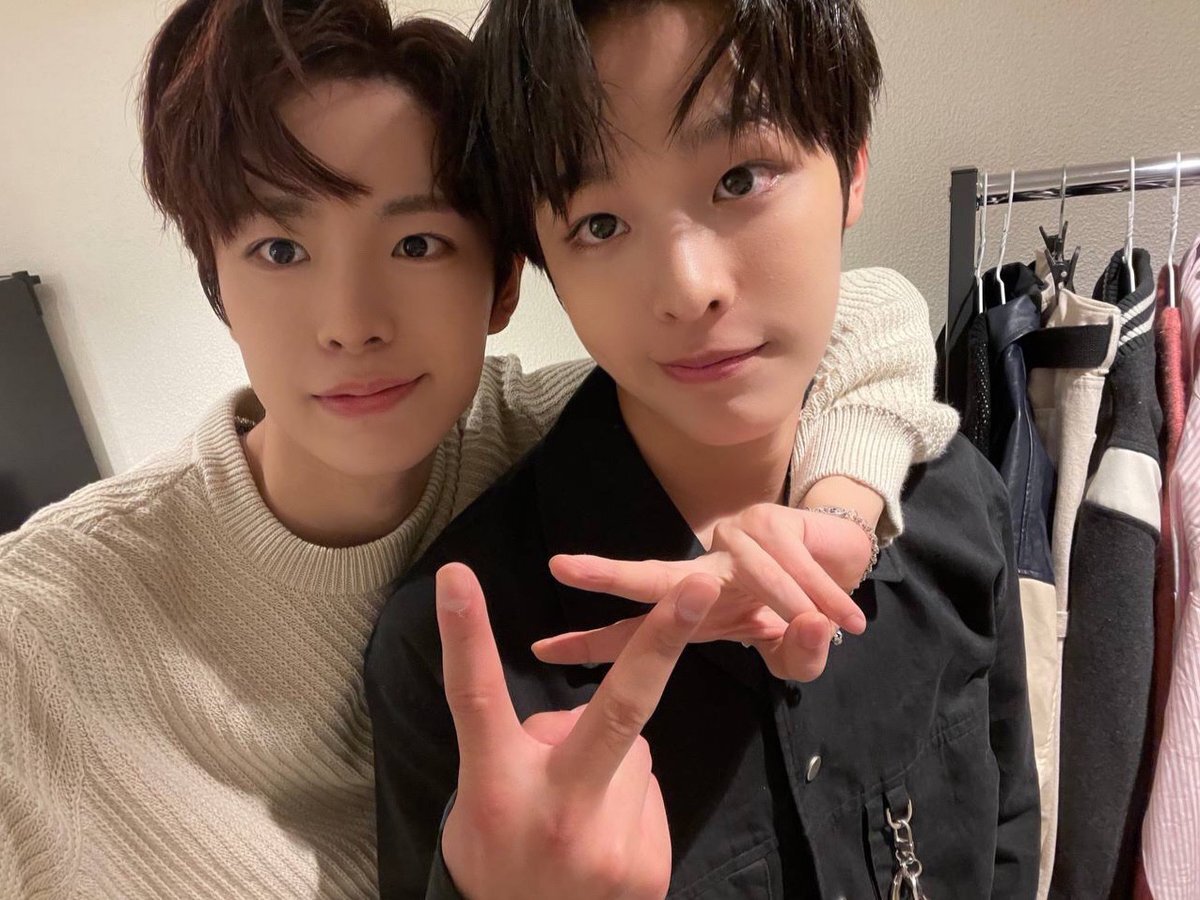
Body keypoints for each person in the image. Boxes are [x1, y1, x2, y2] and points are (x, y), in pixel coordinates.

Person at [0, 1, 958, 897]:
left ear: (503, 282)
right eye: (280, 251)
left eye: (417, 243)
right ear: (216, 284)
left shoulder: (535, 436)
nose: (350, 324)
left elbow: (862, 311)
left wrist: (841, 507)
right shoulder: (37, 629)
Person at [365, 0, 1040, 897]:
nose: (687, 289)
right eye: (600, 225)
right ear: (545, 263)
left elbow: (1009, 832)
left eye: (740, 178)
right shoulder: (460, 651)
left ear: (852, 167)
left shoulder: (953, 498)